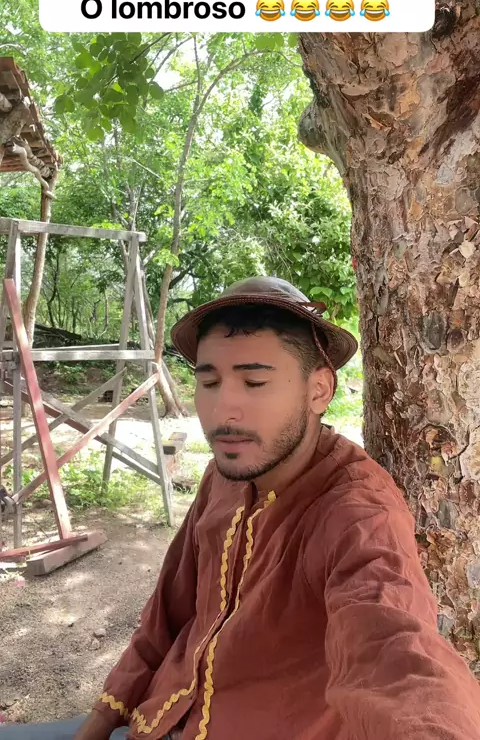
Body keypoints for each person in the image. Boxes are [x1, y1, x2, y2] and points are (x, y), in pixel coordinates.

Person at [4, 276, 480, 740]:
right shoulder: (224, 476)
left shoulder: (357, 510)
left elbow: (395, 649)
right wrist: (101, 719)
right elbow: (166, 613)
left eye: (254, 382)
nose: (224, 409)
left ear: (318, 390)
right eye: (209, 382)